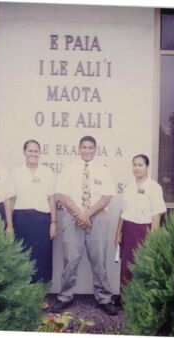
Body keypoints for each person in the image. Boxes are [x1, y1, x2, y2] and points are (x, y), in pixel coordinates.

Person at [50, 135, 118, 316]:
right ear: (79, 149)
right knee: (71, 260)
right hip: (73, 218)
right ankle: (64, 297)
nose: (87, 150)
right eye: (84, 147)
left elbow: (107, 196)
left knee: (99, 260)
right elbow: (62, 195)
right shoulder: (69, 170)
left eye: (90, 147)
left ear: (95, 149)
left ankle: (104, 298)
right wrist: (80, 214)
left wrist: (87, 214)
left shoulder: (103, 170)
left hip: (98, 218)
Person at [114, 154, 166, 296]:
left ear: (147, 167)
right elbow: (123, 212)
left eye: (140, 165)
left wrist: (152, 238)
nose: (136, 168)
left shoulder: (154, 187)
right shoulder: (129, 186)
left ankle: (141, 299)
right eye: (134, 164)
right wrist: (118, 232)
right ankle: (125, 298)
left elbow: (157, 214)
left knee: (143, 264)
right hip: (128, 229)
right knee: (126, 266)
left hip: (144, 230)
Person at [6, 139, 57, 283]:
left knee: (43, 256)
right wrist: (10, 225)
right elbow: (11, 200)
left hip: (42, 220)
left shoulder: (47, 172)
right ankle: (22, 296)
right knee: (22, 255)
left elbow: (51, 199)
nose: (33, 154)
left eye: (36, 151)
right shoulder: (16, 172)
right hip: (21, 219)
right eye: (30, 150)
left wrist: (54, 222)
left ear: (39, 153)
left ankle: (41, 294)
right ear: (24, 152)